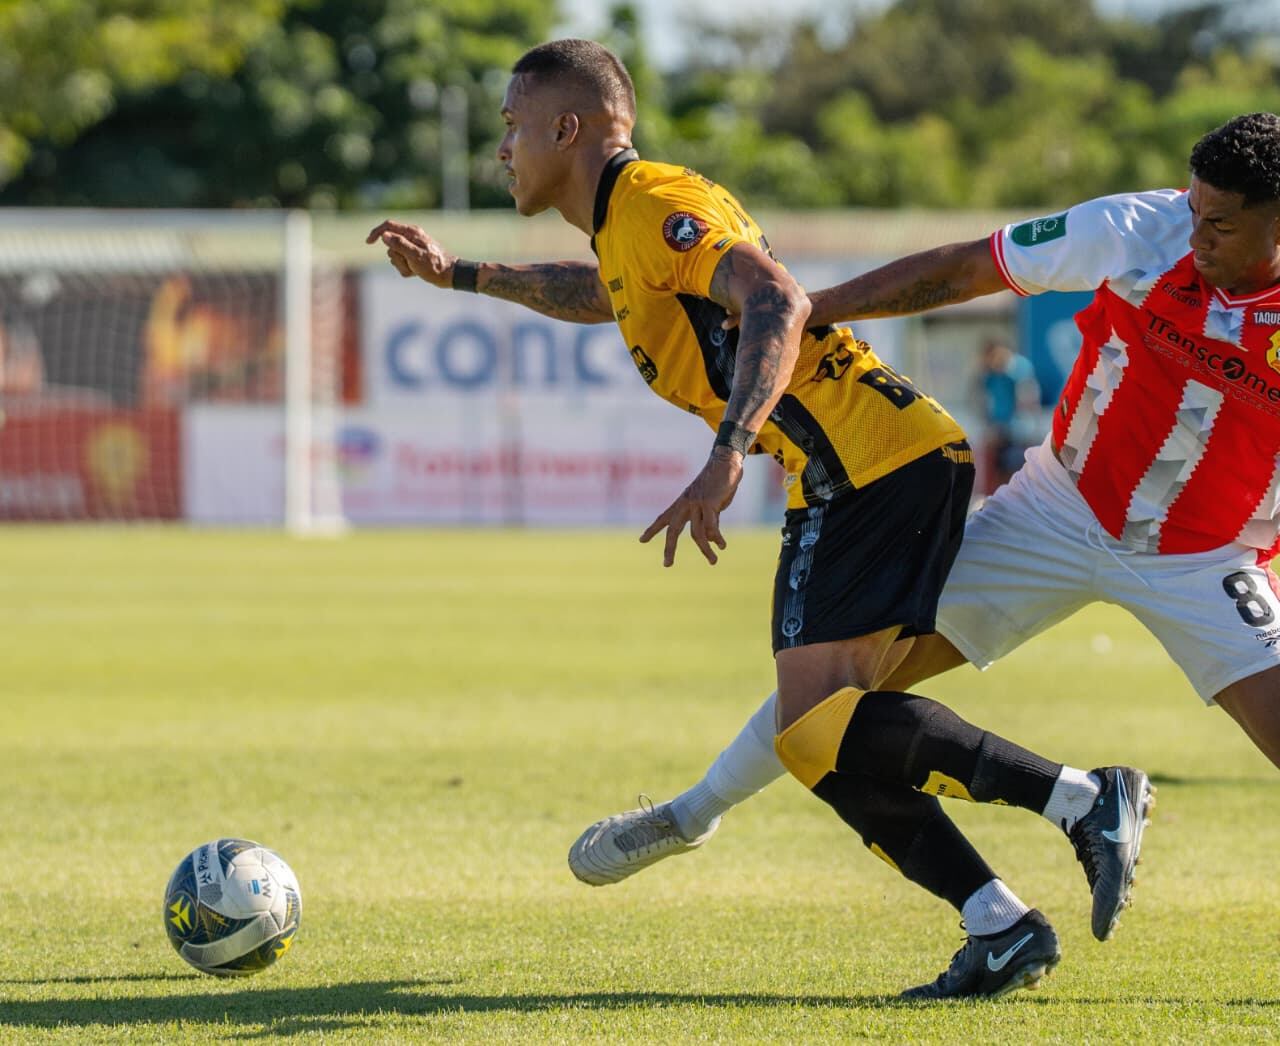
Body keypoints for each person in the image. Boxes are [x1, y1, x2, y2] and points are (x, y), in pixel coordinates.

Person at [367, 39, 1152, 1000]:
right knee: (813, 734)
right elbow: (608, 298)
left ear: (565, 129)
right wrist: (460, 276)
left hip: (875, 463)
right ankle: (1003, 922)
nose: (503, 148)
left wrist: (728, 450)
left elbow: (776, 297)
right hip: (864, 468)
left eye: (510, 125)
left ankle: (1080, 801)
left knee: (813, 725)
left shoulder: (657, 200)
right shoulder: (624, 224)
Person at [573, 110, 1280, 932]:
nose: (1196, 234)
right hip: (1055, 511)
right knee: (834, 700)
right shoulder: (1139, 230)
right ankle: (690, 815)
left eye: (1221, 224)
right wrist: (817, 309)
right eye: (1194, 211)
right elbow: (965, 269)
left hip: (1205, 557)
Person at [973, 337, 1040, 493]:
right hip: (999, 428)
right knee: (995, 466)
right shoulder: (990, 374)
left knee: (1017, 469)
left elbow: (1027, 399)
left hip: (1018, 430)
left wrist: (1018, 426)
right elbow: (984, 399)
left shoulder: (1018, 369)